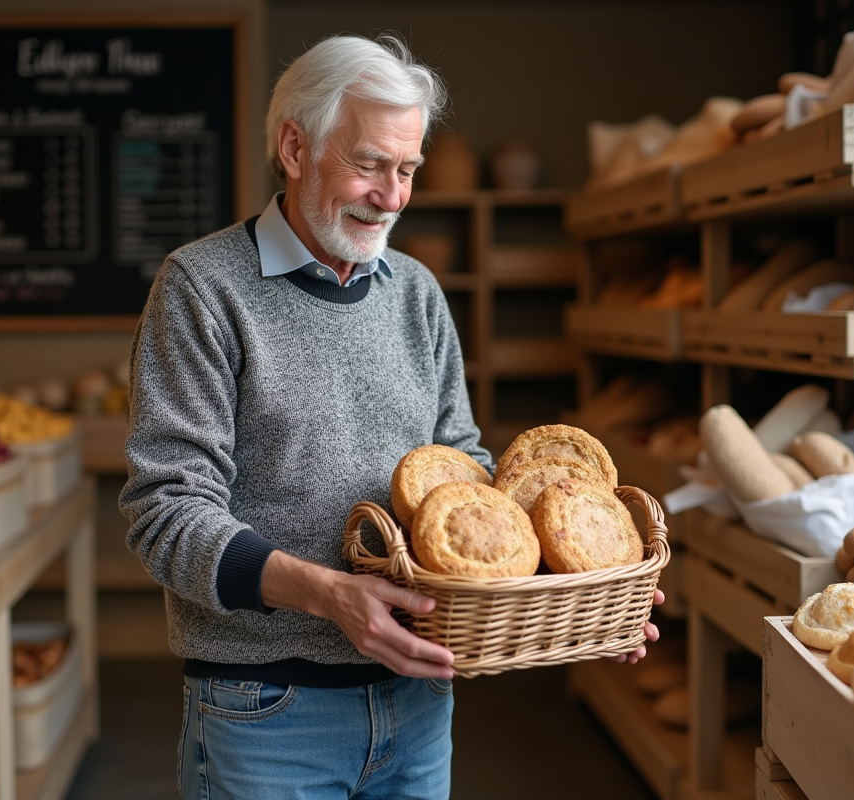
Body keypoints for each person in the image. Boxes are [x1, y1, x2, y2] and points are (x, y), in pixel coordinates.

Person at [120, 32, 660, 800]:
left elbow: (468, 476)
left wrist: (582, 603)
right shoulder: (202, 290)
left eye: (407, 169)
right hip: (267, 712)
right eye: (370, 163)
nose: (394, 195)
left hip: (419, 702)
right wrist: (329, 596)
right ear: (294, 146)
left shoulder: (416, 293)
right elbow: (163, 512)